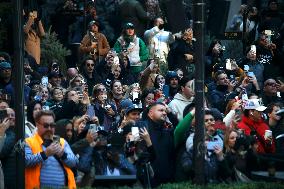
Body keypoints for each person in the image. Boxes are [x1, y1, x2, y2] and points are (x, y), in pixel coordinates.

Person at [25, 110, 78, 189]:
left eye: (52, 125)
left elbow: (75, 162)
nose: (49, 128)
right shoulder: (28, 142)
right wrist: (45, 154)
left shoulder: (62, 142)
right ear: (37, 125)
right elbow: (26, 161)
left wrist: (63, 155)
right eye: (46, 125)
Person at [137, 102, 174, 187]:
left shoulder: (167, 128)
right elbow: (137, 155)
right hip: (148, 180)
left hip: (167, 181)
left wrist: (171, 114)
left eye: (165, 111)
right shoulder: (140, 126)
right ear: (150, 113)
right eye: (161, 110)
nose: (165, 113)